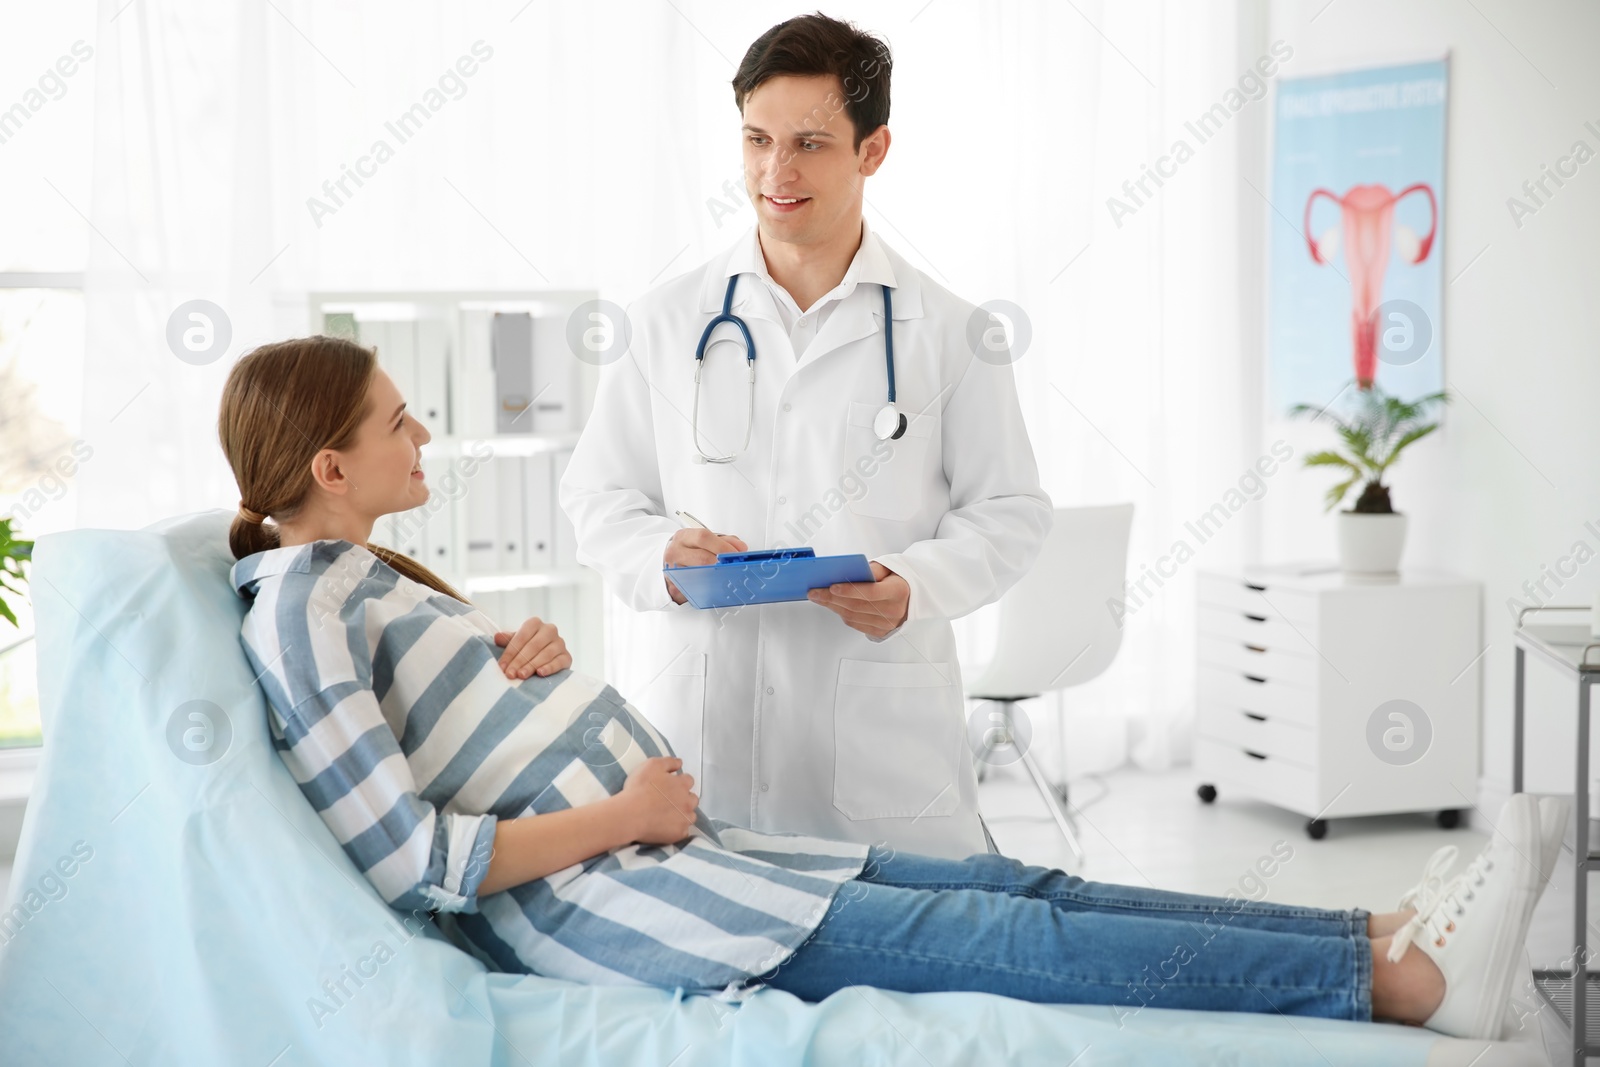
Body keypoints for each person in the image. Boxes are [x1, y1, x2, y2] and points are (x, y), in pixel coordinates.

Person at [218, 336, 1553, 1039]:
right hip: (642, 901)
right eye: (399, 418)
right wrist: (624, 814)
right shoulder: (299, 612)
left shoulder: (370, 581)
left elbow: (448, 748)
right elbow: (408, 855)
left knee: (1027, 890)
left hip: (696, 852)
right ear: (329, 464)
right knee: (1018, 948)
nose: (424, 431)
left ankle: (1377, 925)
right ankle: (1409, 988)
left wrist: (524, 664)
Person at [558, 13, 1053, 860]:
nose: (774, 172)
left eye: (810, 144)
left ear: (873, 150)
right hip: (701, 731)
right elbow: (598, 497)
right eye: (757, 139)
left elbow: (1010, 513)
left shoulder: (953, 333)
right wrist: (662, 559)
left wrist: (912, 582)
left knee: (902, 980)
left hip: (881, 760)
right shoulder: (664, 323)